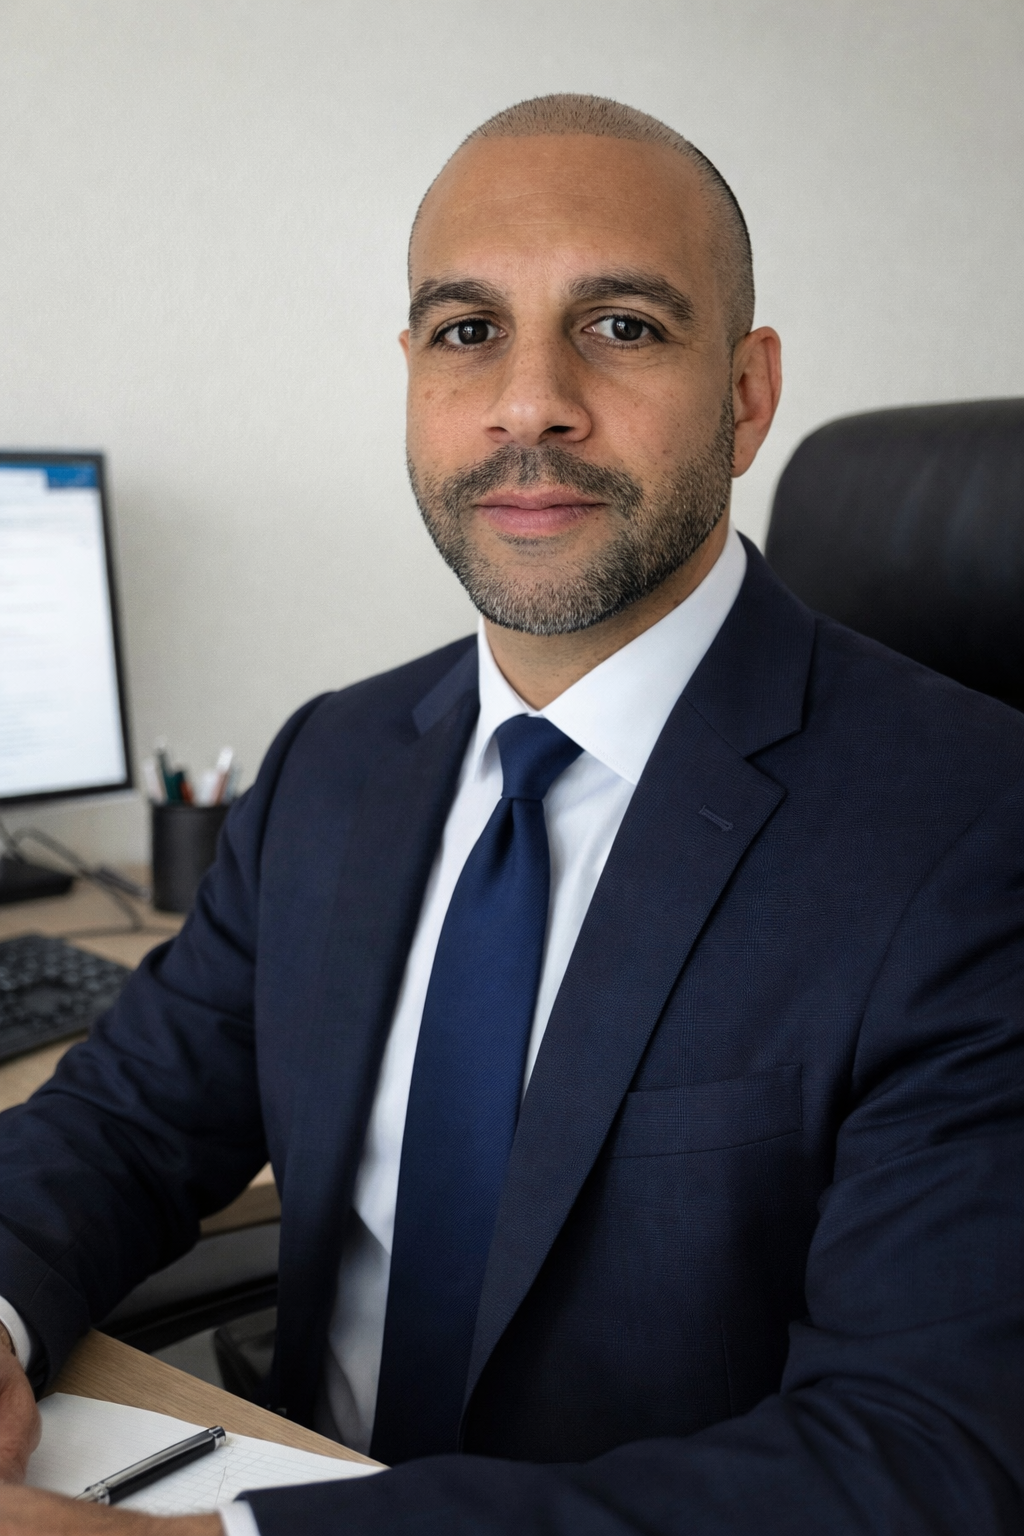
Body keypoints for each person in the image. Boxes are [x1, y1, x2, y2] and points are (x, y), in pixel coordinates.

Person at [1, 92, 1023, 1536]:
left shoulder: (974, 833)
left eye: (622, 325)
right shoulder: (336, 758)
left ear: (746, 395)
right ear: (414, 377)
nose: (528, 401)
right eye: (468, 330)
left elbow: (918, 1456)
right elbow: (129, 1115)